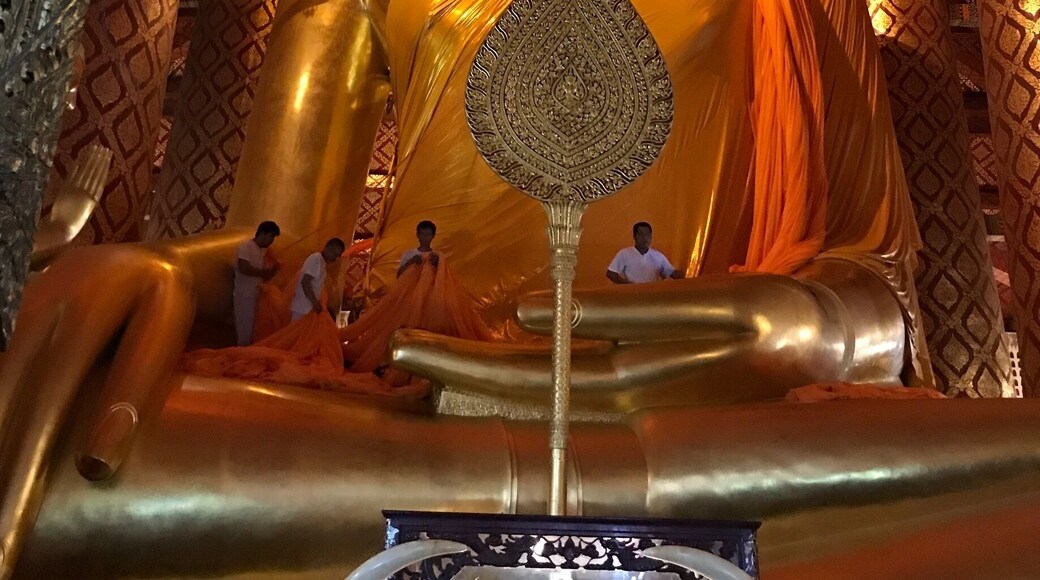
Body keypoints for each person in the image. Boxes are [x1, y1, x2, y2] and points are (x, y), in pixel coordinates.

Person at [234, 221, 280, 345]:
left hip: (257, 296)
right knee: (245, 330)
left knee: (255, 330)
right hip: (244, 296)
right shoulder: (246, 246)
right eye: (271, 237)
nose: (271, 241)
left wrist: (273, 271)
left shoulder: (263, 252)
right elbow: (243, 268)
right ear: (262, 234)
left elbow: (264, 277)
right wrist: (264, 272)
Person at [606, 222, 684, 284]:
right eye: (641, 235)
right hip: (631, 296)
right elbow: (611, 273)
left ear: (651, 237)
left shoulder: (658, 256)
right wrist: (628, 286)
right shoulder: (624, 253)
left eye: (647, 235)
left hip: (652, 296)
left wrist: (685, 275)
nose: (645, 238)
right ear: (634, 236)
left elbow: (670, 272)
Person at [290, 237, 345, 321]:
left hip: (307, 310)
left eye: (338, 256)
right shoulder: (316, 259)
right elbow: (305, 282)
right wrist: (315, 303)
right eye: (335, 254)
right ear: (328, 248)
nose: (335, 259)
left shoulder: (321, 262)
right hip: (302, 309)